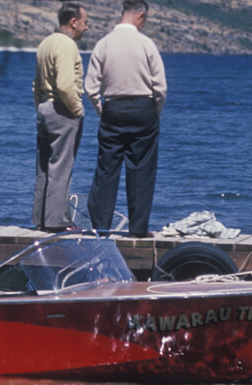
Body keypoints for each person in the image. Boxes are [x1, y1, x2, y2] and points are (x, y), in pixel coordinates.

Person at [84, 0, 167, 238]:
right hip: (143, 108)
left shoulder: (104, 44)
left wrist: (103, 110)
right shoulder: (146, 44)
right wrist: (154, 111)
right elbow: (160, 87)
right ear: (141, 15)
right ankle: (138, 229)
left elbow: (91, 88)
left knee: (106, 168)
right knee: (141, 169)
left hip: (113, 107)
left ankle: (100, 226)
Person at [32, 2, 89, 233]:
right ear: (73, 22)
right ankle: (58, 222)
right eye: (85, 23)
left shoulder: (45, 43)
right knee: (61, 168)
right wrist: (78, 110)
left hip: (44, 107)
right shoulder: (67, 45)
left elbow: (36, 84)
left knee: (44, 167)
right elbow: (65, 85)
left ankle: (41, 219)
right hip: (62, 109)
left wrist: (40, 107)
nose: (87, 28)